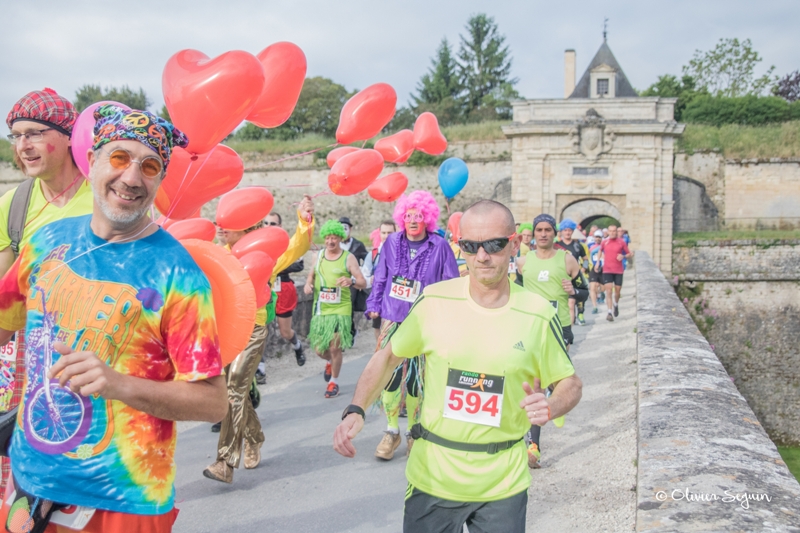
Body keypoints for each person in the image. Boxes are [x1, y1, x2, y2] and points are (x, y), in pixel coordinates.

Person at [0, 104, 226, 531]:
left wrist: (118, 383)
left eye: (150, 166)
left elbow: (214, 400)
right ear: (91, 162)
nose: (131, 178)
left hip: (122, 500)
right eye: (119, 158)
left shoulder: (178, 275)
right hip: (30, 483)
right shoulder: (47, 240)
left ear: (160, 179)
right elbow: (6, 320)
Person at [334, 200, 582, 533]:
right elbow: (388, 356)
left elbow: (570, 382)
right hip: (432, 478)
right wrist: (356, 409)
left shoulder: (538, 313)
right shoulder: (435, 300)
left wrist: (550, 406)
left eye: (493, 245)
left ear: (514, 243)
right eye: (470, 246)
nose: (482, 256)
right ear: (459, 246)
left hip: (503, 483)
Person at [0, 89, 94, 491]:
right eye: (15, 136)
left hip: (99, 351)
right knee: (32, 488)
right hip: (35, 358)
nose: (23, 146)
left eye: (34, 133)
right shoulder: (14, 203)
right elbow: (4, 296)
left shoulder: (107, 193)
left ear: (67, 134)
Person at [365, 191, 459, 460]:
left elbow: (450, 284)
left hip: (424, 322)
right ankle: (391, 431)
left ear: (427, 218)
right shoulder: (392, 243)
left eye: (419, 216)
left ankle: (414, 431)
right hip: (393, 318)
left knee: (417, 381)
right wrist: (373, 304)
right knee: (391, 376)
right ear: (402, 218)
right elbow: (381, 276)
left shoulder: (439, 246)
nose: (413, 220)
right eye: (408, 216)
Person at [515, 214, 587, 468]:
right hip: (532, 329)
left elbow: (585, 291)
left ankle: (557, 400)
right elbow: (516, 292)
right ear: (533, 234)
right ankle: (533, 445)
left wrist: (574, 292)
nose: (543, 234)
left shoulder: (567, 260)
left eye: (548, 230)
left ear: (555, 233)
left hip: (560, 328)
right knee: (536, 384)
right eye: (539, 230)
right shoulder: (523, 262)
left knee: (555, 380)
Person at [254, 201, 317, 384]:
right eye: (265, 223)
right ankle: (260, 371)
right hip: (246, 307)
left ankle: (296, 346)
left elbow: (298, 252)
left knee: (284, 331)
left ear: (279, 227)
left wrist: (305, 221)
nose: (268, 227)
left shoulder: (282, 248)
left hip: (280, 293)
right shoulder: (249, 244)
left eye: (272, 224)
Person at [304, 220, 366, 399]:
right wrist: (308, 284)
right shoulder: (319, 256)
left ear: (341, 238)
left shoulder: (348, 257)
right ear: (324, 238)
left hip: (341, 308)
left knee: (335, 348)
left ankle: (334, 382)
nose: (331, 241)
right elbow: (311, 275)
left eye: (335, 238)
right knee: (319, 350)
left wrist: (351, 281)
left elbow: (362, 281)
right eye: (328, 238)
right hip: (322, 309)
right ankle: (330, 362)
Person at [361, 220, 397, 341]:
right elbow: (363, 278)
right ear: (379, 234)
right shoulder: (373, 255)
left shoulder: (402, 253)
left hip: (396, 299)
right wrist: (370, 279)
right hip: (379, 298)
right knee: (378, 329)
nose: (386, 236)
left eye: (390, 233)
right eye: (384, 233)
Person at [338, 217, 368, 340]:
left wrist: (361, 274)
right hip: (336, 283)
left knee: (348, 309)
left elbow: (367, 260)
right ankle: (342, 334)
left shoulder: (358, 245)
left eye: (346, 228)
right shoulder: (334, 244)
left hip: (351, 283)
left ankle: (349, 333)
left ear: (350, 229)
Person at [554, 219, 588, 326]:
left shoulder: (578, 246)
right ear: (561, 232)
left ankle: (570, 330)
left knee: (571, 304)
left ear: (572, 231)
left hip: (574, 278)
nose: (567, 233)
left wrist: (582, 269)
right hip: (559, 277)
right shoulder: (556, 245)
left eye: (569, 230)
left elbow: (586, 259)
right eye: (565, 230)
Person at [599, 225, 633, 322]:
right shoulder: (604, 242)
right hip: (607, 270)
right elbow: (600, 250)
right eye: (611, 231)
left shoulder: (621, 242)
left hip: (618, 270)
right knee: (609, 291)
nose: (613, 232)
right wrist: (598, 261)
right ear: (608, 232)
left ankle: (616, 304)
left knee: (617, 291)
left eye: (614, 231)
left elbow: (630, 254)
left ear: (616, 232)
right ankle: (609, 312)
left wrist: (623, 256)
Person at [588, 230, 604, 313]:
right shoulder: (590, 246)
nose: (597, 239)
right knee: (592, 287)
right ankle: (594, 307)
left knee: (602, 287)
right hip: (593, 267)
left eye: (599, 237)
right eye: (596, 237)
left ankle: (602, 294)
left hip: (603, 268)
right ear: (594, 238)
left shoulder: (604, 245)